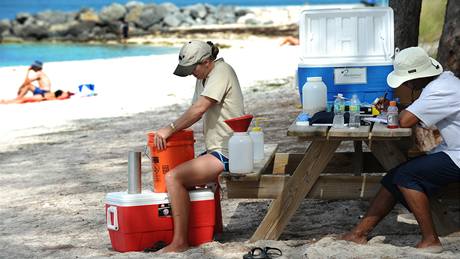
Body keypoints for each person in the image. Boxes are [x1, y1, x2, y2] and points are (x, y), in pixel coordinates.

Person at [340, 47, 460, 253]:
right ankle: (359, 233)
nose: (405, 85)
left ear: (415, 80)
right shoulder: (443, 82)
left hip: (457, 155)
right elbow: (413, 112)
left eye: (406, 82)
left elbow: (405, 121)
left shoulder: (440, 90)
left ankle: (430, 240)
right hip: (453, 150)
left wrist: (396, 110)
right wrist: (395, 107)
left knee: (406, 176)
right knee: (394, 175)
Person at [153, 40, 245, 253]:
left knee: (173, 178)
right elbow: (195, 109)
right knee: (186, 173)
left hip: (231, 151)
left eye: (193, 68)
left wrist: (170, 128)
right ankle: (212, 230)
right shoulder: (205, 76)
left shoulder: (221, 71)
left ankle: (180, 242)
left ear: (206, 61)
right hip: (219, 148)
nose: (191, 73)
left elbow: (200, 109)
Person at [1, 90, 73, 104]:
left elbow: (58, 97)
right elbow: (58, 97)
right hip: (40, 97)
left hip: (41, 97)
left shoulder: (61, 93)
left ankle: (6, 102)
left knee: (23, 100)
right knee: (23, 100)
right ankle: (6, 102)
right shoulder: (62, 94)